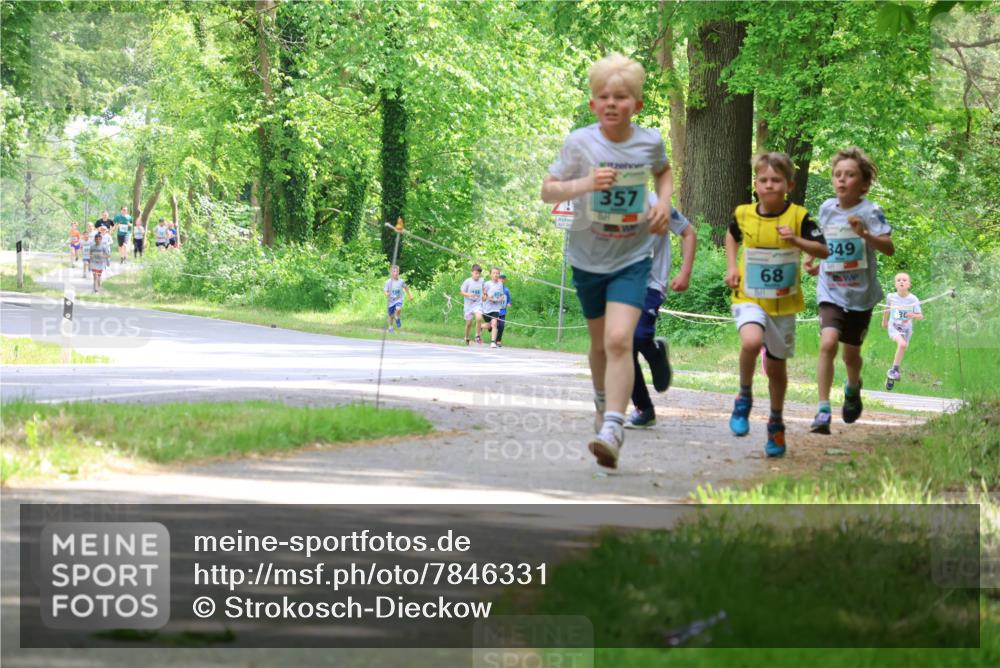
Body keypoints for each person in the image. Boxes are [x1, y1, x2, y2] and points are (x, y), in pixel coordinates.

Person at [541, 52, 673, 469]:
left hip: (633, 258)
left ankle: (614, 426)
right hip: (587, 257)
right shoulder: (579, 143)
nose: (612, 103)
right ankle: (602, 404)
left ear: (638, 104)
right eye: (604, 97)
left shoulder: (649, 141)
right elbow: (549, 191)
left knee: (619, 340)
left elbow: (664, 172)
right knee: (599, 344)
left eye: (621, 96)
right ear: (592, 105)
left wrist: (664, 205)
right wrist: (585, 183)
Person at [725, 152, 829, 457]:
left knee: (776, 367)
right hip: (749, 296)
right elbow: (731, 236)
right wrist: (732, 267)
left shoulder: (798, 216)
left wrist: (797, 241)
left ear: (789, 185)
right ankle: (743, 396)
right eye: (763, 180)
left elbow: (823, 249)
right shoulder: (744, 213)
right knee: (751, 340)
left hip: (783, 305)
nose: (769, 185)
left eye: (776, 180)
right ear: (755, 183)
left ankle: (775, 422)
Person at [804, 147, 894, 433]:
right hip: (830, 290)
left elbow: (889, 248)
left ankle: (853, 387)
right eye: (837, 174)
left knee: (850, 356)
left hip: (860, 295)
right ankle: (822, 409)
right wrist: (814, 259)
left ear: (864, 183)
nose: (842, 180)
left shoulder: (870, 211)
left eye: (850, 175)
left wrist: (864, 234)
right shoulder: (827, 208)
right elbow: (825, 243)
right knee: (828, 343)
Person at [625, 197, 697, 429]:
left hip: (651, 286)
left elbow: (688, 233)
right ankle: (644, 408)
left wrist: (685, 272)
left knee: (636, 338)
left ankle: (654, 353)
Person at [882, 272, 923, 390]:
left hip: (906, 329)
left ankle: (893, 373)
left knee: (903, 347)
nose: (901, 282)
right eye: (899, 280)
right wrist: (884, 321)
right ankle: (894, 370)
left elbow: (920, 316)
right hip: (894, 326)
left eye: (904, 280)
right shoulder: (891, 297)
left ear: (909, 284)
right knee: (902, 344)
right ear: (895, 284)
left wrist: (912, 315)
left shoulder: (913, 299)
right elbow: (886, 309)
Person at [481, 267, 507, 349]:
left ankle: (493, 342)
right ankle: (480, 326)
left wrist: (499, 299)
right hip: (486, 308)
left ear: (499, 275)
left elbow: (502, 295)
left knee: (494, 323)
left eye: (497, 273)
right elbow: (483, 296)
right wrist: (488, 298)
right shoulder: (487, 284)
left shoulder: (500, 284)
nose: (496, 275)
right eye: (494, 273)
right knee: (490, 325)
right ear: (490, 274)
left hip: (496, 308)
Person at [460, 264, 485, 345]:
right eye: (476, 273)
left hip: (477, 304)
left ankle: (477, 336)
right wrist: (469, 295)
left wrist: (485, 295)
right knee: (468, 324)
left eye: (479, 273)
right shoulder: (468, 281)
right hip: (468, 305)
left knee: (478, 318)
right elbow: (462, 292)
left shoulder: (482, 281)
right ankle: (466, 337)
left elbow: (484, 290)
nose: (477, 275)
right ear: (472, 273)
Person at [384, 265, 413, 332]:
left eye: (397, 271)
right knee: (391, 316)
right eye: (394, 271)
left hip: (399, 299)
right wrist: (387, 294)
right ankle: (391, 327)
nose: (395, 273)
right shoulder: (388, 282)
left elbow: (406, 288)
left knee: (398, 308)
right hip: (391, 301)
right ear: (391, 272)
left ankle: (397, 317)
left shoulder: (401, 281)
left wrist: (410, 295)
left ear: (399, 272)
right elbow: (385, 291)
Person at [496, 273, 512, 347]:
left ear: (504, 280)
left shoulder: (506, 290)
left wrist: (509, 303)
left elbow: (508, 300)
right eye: (500, 278)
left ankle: (498, 340)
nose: (501, 280)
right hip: (494, 310)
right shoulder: (494, 288)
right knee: (493, 324)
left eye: (503, 279)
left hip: (502, 311)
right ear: (497, 279)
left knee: (501, 326)